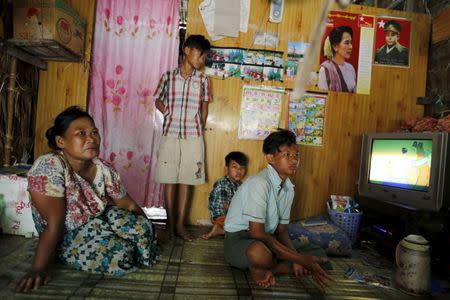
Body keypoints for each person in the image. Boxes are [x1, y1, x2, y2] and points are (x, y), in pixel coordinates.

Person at [16, 106, 158, 293]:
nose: (91, 138)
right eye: (81, 133)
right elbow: (54, 223)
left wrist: (150, 229)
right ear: (61, 141)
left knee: (142, 228)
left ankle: (120, 239)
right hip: (67, 231)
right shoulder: (49, 166)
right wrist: (37, 268)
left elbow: (127, 204)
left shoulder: (103, 168)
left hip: (100, 217)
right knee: (120, 256)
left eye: (94, 132)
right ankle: (63, 253)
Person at [223, 129, 331, 289]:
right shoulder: (260, 183)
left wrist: (297, 258)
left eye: (296, 155)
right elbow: (256, 233)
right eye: (286, 155)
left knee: (318, 254)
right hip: (240, 240)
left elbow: (281, 231)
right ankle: (273, 267)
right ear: (270, 158)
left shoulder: (289, 188)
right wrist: (299, 259)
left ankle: (269, 268)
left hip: (268, 239)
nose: (293, 160)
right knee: (259, 253)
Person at [154, 34, 211, 242]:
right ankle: (169, 225)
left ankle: (179, 226)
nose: (202, 60)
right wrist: (167, 111)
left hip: (193, 135)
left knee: (187, 180)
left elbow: (204, 107)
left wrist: (200, 126)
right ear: (187, 50)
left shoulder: (204, 80)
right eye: (201, 54)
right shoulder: (168, 76)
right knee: (169, 180)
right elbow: (157, 101)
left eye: (205, 57)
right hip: (170, 133)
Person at [202, 151, 248, 240]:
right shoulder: (222, 183)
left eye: (242, 168)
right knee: (247, 226)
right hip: (221, 217)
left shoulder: (239, 184)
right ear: (226, 169)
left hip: (231, 216)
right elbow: (225, 205)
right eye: (235, 167)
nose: (239, 171)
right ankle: (221, 229)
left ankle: (222, 230)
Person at [318, 26, 356, 92]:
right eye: (346, 43)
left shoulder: (351, 68)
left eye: (351, 43)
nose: (351, 47)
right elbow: (323, 97)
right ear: (335, 46)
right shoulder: (325, 70)